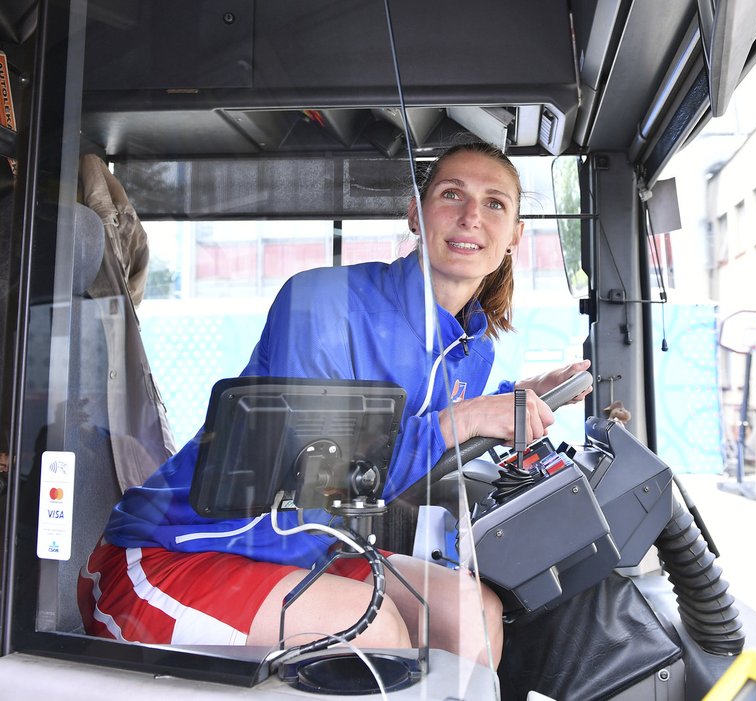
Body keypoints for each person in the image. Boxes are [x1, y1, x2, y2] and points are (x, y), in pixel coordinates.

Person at [77, 142, 591, 670]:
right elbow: (317, 473)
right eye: (451, 194)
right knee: (374, 629)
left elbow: (431, 397)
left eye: (494, 204)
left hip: (303, 553)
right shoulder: (322, 302)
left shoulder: (471, 348)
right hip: (172, 556)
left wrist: (524, 392)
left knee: (470, 612)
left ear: (515, 237)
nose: (470, 217)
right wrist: (462, 420)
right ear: (416, 213)